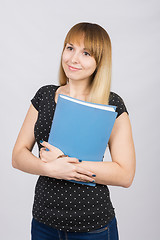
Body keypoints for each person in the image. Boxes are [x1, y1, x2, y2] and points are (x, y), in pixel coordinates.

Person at [12, 22, 136, 240]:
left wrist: (64, 163)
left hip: (93, 226)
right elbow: (18, 155)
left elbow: (125, 174)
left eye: (86, 53)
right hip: (44, 223)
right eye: (70, 48)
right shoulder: (45, 95)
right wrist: (50, 169)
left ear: (100, 61)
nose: (73, 59)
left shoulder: (111, 104)